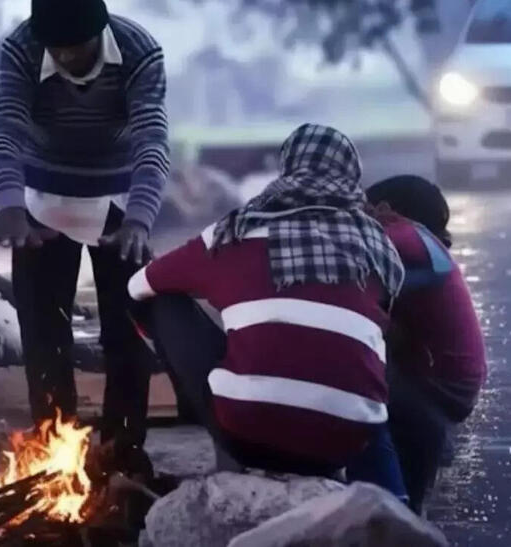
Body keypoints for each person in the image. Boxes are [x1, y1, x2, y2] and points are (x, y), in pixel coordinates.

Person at [127, 124, 408, 495]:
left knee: (164, 303)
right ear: (352, 173)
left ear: (286, 168)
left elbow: (137, 286)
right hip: (347, 444)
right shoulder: (377, 245)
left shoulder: (235, 232)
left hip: (249, 437)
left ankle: (210, 430)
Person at [0, 0, 170, 467]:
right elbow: (5, 131)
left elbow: (152, 137)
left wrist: (140, 218)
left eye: (77, 47)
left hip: (115, 197)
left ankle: (122, 453)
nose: (65, 58)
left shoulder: (139, 51)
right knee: (44, 336)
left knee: (127, 333)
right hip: (43, 198)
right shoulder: (21, 49)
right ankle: (52, 453)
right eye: (56, 49)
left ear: (100, 28)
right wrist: (11, 210)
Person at [362, 175, 487, 513]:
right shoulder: (419, 241)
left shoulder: (400, 239)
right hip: (441, 385)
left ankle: (379, 493)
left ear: (385, 210)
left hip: (434, 390)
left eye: (363, 211)